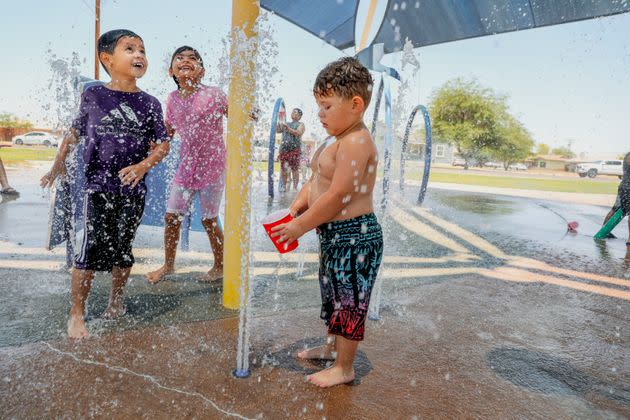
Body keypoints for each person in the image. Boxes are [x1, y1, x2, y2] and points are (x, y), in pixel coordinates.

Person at [40, 29, 170, 339]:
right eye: (129, 49)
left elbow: (162, 145)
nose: (139, 55)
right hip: (97, 187)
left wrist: (142, 166)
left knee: (123, 249)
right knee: (89, 249)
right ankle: (77, 313)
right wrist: (56, 168)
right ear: (107, 59)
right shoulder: (94, 95)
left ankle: (116, 300)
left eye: (142, 49)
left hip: (133, 190)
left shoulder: (150, 103)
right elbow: (73, 134)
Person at [271, 57, 383, 388]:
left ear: (356, 104)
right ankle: (331, 347)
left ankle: (344, 367)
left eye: (327, 106)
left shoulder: (357, 141)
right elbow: (315, 181)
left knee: (350, 300)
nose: (320, 114)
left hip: (356, 237)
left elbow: (338, 195)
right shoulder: (333, 140)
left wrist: (299, 226)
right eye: (318, 105)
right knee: (333, 295)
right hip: (334, 236)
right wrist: (296, 207)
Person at [146, 46, 256, 284]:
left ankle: (220, 266)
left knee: (208, 219)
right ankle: (168, 265)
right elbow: (170, 130)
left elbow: (238, 114)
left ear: (202, 71)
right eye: (180, 58)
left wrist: (249, 111)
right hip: (186, 167)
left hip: (213, 166)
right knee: (171, 217)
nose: (186, 61)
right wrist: (154, 144)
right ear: (171, 70)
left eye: (192, 59)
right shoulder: (172, 99)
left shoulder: (215, 94)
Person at [603, 152, 630, 246]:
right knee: (615, 209)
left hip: (624, 188)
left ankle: (604, 230)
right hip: (627, 188)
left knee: (615, 209)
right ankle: (604, 230)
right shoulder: (629, 155)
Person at [277, 108, 305, 192]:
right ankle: (284, 186)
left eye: (296, 113)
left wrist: (288, 128)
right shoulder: (286, 123)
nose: (294, 114)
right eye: (293, 112)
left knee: (294, 168)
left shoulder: (301, 124)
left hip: (294, 149)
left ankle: (295, 187)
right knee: (283, 169)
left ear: (300, 117)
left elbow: (298, 133)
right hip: (284, 149)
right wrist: (278, 123)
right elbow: (277, 130)